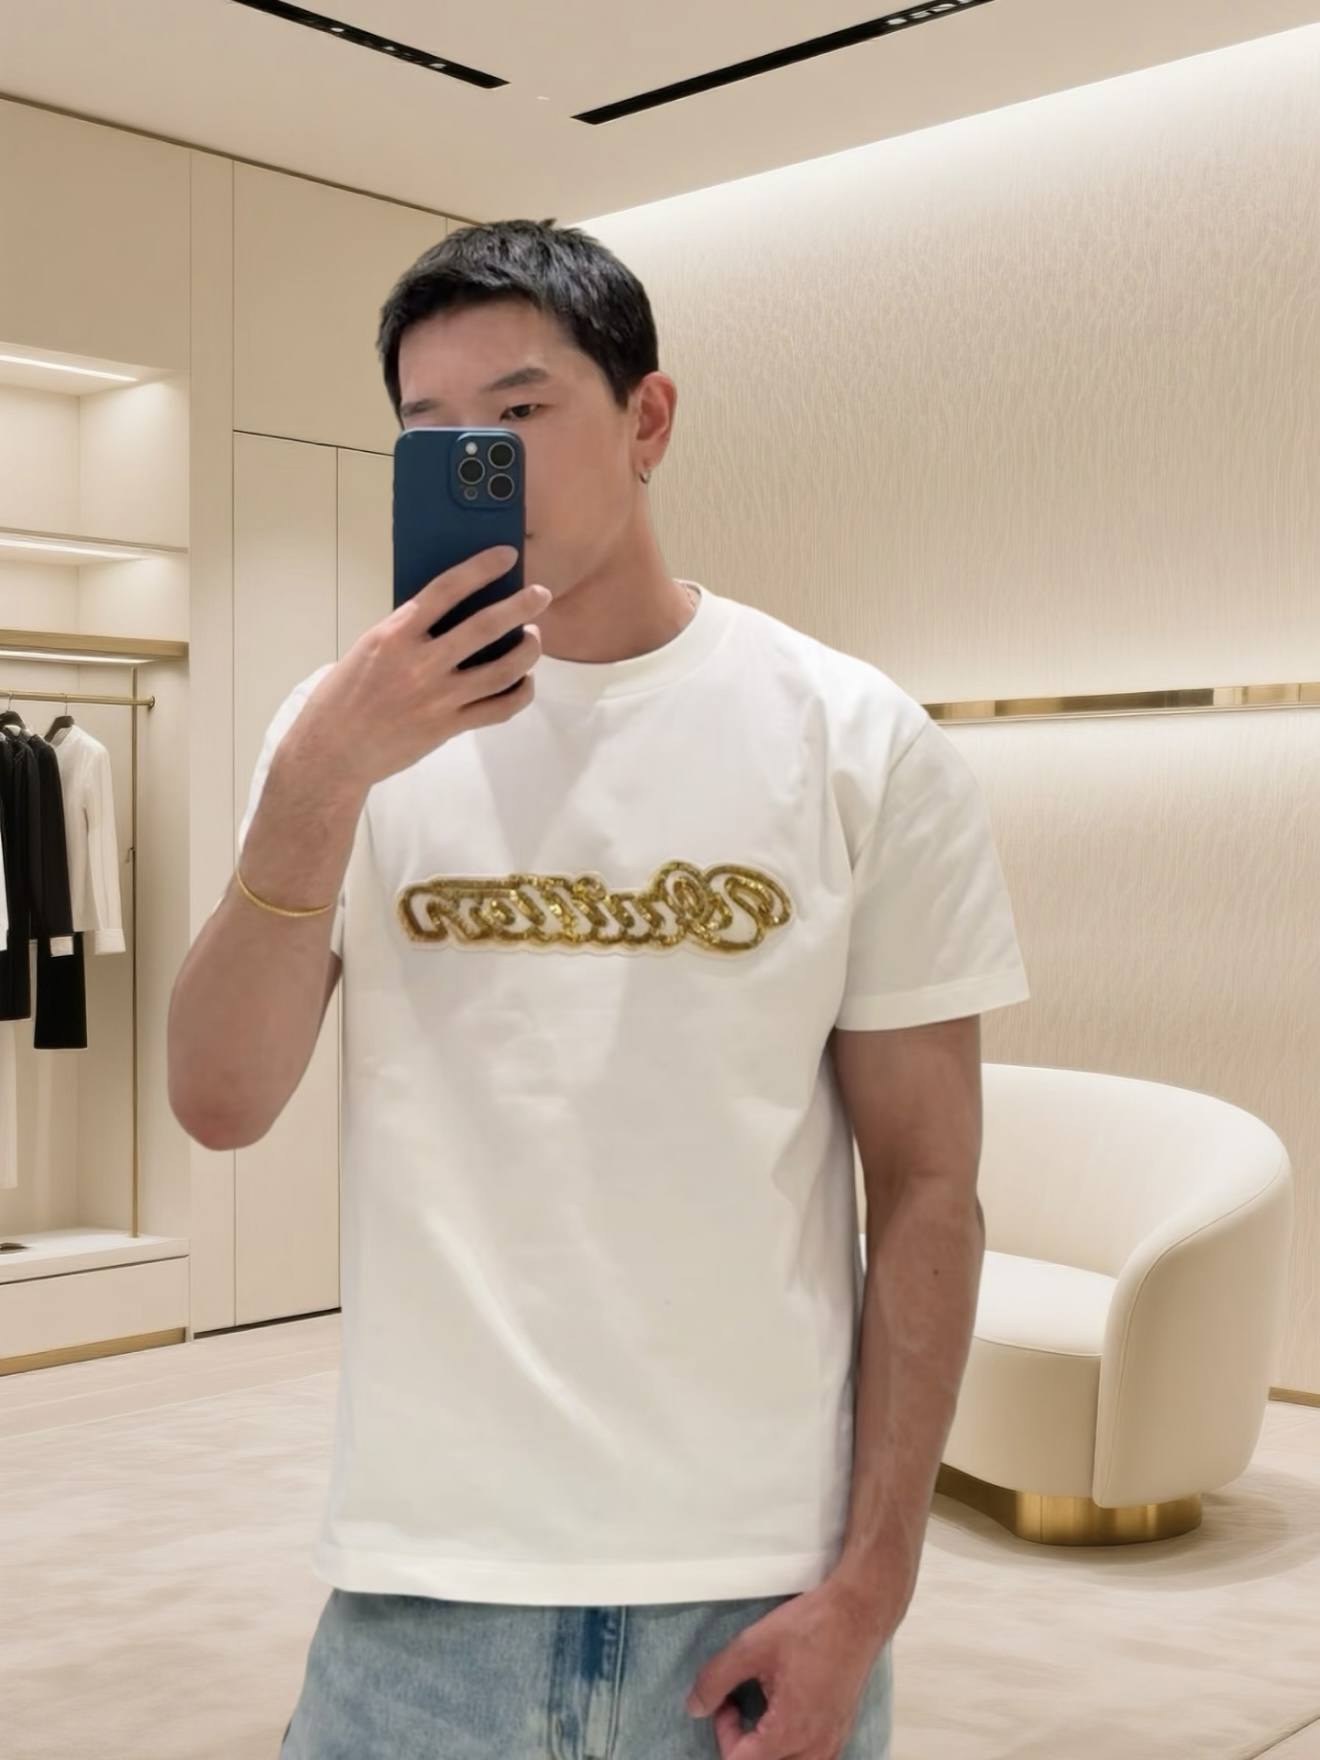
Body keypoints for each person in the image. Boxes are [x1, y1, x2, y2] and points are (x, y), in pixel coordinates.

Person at [168, 219, 1030, 1760]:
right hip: (424, 1591)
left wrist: (872, 1589)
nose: (478, 462)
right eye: (432, 433)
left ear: (648, 419)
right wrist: (316, 785)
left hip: (760, 1587)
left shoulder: (854, 739)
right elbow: (219, 1101)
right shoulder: (339, 739)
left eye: (518, 412)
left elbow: (928, 1188)